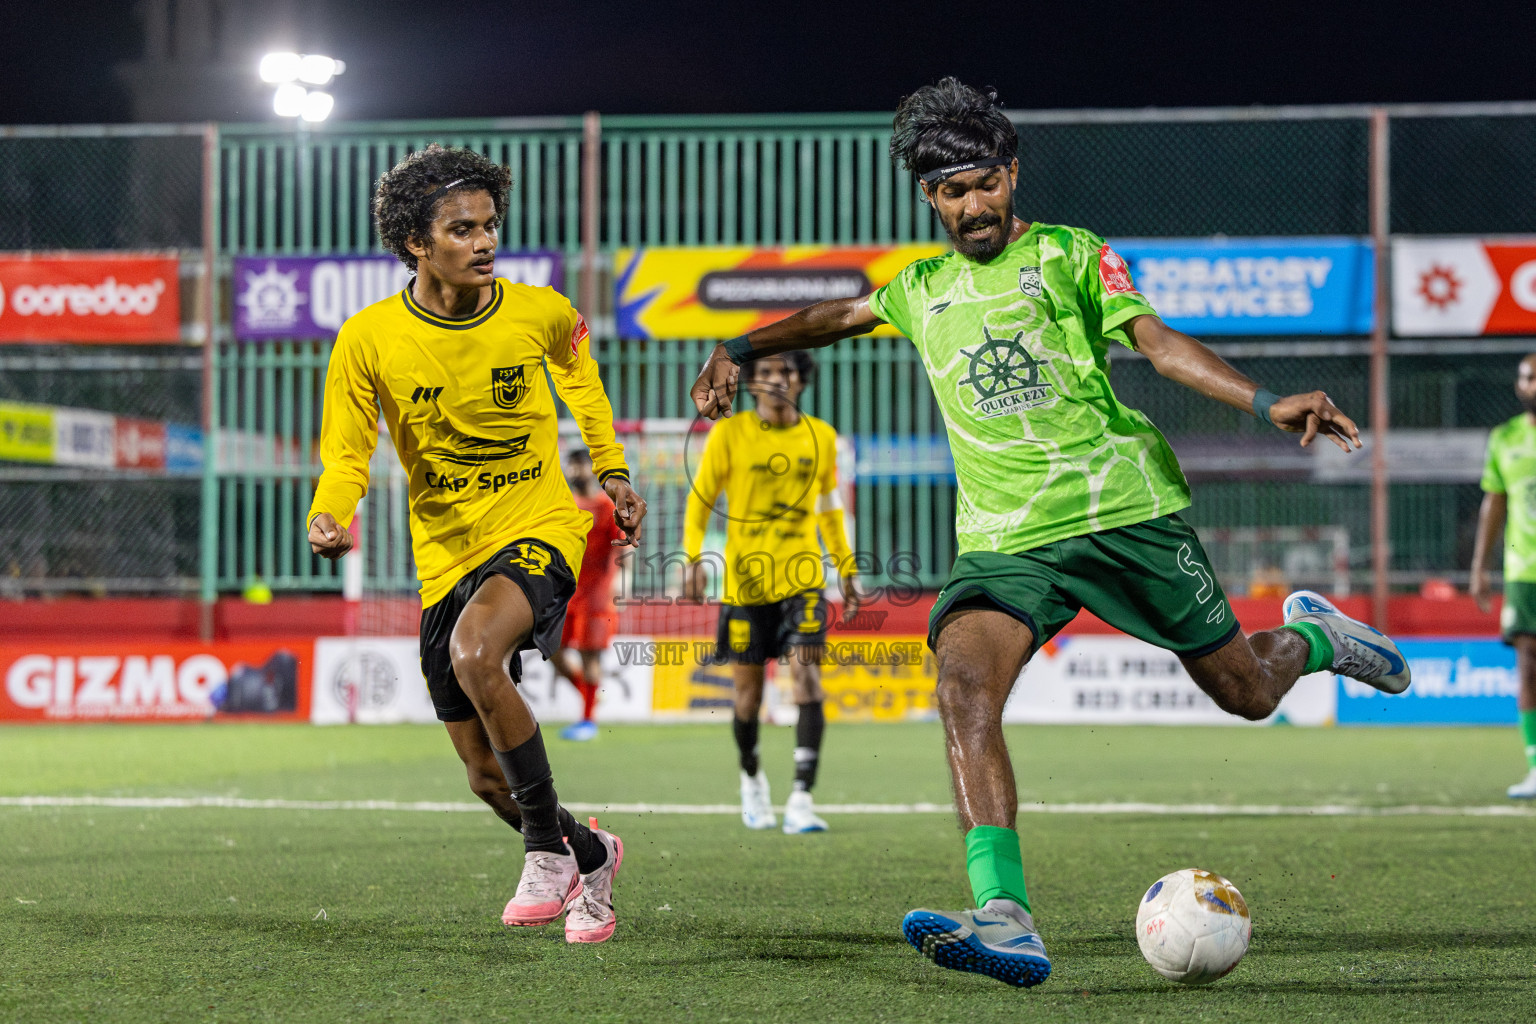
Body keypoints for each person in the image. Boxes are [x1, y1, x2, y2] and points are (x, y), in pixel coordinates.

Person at [689, 78, 1411, 988]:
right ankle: (1006, 914)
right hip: (1006, 541)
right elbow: (835, 315)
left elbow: (1155, 341)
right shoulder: (922, 289)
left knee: (1248, 690)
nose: (972, 204)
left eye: (985, 183)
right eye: (952, 192)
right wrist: (740, 348)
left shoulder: (1073, 255)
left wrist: (1265, 401)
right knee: (960, 686)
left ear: (1011, 175)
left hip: (1123, 513)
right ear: (930, 199)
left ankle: (1316, 638)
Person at [307, 144, 646, 944]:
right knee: (485, 776)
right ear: (416, 243)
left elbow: (584, 385)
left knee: (473, 651)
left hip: (538, 532)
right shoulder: (368, 338)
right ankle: (589, 853)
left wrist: (613, 469)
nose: (485, 241)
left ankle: (543, 850)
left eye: (491, 225)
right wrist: (332, 511)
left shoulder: (541, 313)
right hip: (445, 560)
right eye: (462, 229)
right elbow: (346, 449)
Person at [682, 352, 858, 834]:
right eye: (766, 374)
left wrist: (845, 566)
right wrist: (693, 558)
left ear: (801, 381)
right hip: (745, 584)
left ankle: (801, 797)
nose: (778, 379)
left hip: (803, 581)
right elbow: (702, 500)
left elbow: (829, 508)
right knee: (746, 697)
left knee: (807, 682)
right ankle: (752, 780)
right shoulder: (729, 435)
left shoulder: (821, 436)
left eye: (787, 372)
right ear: (752, 385)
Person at [1470, 353, 1536, 799]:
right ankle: (1535, 766)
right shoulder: (1505, 437)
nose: (1533, 383)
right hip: (1524, 569)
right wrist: (1480, 566)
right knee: (1529, 663)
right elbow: (1494, 502)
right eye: (1528, 376)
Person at [551, 448, 626, 742]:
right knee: (552, 650)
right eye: (572, 466)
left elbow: (624, 547)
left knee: (589, 657)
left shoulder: (606, 507)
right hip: (565, 595)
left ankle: (587, 721)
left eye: (581, 465)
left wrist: (622, 577)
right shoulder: (563, 506)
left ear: (591, 470)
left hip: (596, 596)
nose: (576, 472)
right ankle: (589, 695)